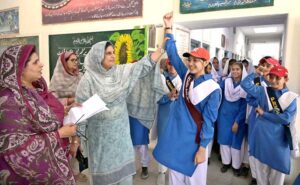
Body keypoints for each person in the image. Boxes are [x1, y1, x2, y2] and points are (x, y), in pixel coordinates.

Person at [75, 41, 164, 185]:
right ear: (98, 56)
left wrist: (159, 51)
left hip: (121, 140)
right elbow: (80, 113)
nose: (112, 56)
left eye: (113, 52)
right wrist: (78, 139)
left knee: (125, 178)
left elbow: (140, 67)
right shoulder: (88, 80)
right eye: (108, 53)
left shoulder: (120, 73)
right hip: (101, 142)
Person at [153, 12, 221, 185]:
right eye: (190, 60)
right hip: (176, 134)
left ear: (206, 63)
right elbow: (173, 54)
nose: (191, 63)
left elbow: (209, 121)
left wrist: (203, 148)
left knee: (194, 179)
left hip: (195, 140)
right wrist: (168, 27)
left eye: (196, 61)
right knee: (175, 177)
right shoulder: (187, 76)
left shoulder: (213, 89)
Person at [0, 45, 77, 184]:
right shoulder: (8, 101)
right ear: (20, 69)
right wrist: (59, 134)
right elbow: (14, 149)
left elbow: (40, 119)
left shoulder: (31, 90)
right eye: (35, 62)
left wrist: (63, 112)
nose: (41, 64)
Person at [241, 65, 298, 185]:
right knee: (261, 176)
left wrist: (264, 114)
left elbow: (286, 119)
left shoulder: (291, 98)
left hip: (279, 141)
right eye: (272, 77)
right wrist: (256, 73)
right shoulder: (263, 91)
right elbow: (245, 84)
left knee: (277, 177)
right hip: (261, 137)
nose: (274, 80)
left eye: (278, 77)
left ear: (286, 79)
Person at [49, 51, 87, 182]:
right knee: (68, 154)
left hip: (81, 119)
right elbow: (52, 102)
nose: (76, 62)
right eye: (72, 60)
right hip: (65, 123)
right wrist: (70, 100)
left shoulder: (80, 76)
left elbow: (86, 94)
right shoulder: (56, 79)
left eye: (77, 59)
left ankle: (76, 175)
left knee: (79, 151)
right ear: (64, 63)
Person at [245, 56, 279, 185]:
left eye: (268, 65)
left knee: (267, 146)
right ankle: (255, 176)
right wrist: (259, 103)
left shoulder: (277, 83)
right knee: (253, 145)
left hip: (272, 120)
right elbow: (249, 98)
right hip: (257, 116)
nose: (265, 68)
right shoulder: (257, 81)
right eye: (263, 65)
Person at [217, 62, 248, 176]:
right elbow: (217, 92)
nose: (235, 71)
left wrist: (237, 121)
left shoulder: (245, 85)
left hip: (237, 117)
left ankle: (236, 166)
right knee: (224, 141)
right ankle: (226, 163)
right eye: (233, 69)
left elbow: (244, 105)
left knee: (236, 142)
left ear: (242, 71)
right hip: (224, 116)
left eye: (237, 69)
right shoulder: (226, 82)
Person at [155, 58, 182, 185]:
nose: (171, 67)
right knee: (163, 142)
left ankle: (174, 171)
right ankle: (161, 171)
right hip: (164, 115)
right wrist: (168, 96)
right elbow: (157, 99)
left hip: (178, 116)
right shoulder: (161, 78)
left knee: (175, 142)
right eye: (169, 64)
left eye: (174, 64)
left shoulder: (184, 79)